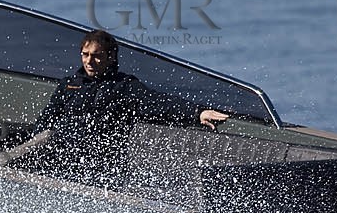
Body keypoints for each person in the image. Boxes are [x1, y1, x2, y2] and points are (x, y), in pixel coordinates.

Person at [30, 30, 228, 162]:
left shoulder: (124, 87)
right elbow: (47, 120)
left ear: (111, 56)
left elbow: (157, 103)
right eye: (85, 54)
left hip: (100, 165)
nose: (89, 61)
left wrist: (196, 113)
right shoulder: (69, 84)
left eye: (96, 55)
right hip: (61, 157)